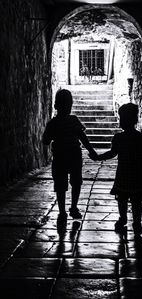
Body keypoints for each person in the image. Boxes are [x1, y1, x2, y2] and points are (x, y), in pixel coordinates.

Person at [90, 103, 142, 235]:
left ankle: (123, 219)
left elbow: (112, 153)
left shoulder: (119, 138)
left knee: (122, 198)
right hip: (138, 175)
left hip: (123, 174)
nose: (121, 121)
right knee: (136, 200)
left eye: (122, 118)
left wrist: (98, 157)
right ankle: (137, 222)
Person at [43, 89, 97, 223]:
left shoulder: (52, 123)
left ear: (55, 105)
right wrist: (91, 151)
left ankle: (62, 212)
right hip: (74, 156)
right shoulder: (74, 121)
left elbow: (45, 141)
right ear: (70, 105)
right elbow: (82, 137)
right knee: (76, 182)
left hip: (59, 158)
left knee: (60, 185)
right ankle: (73, 207)